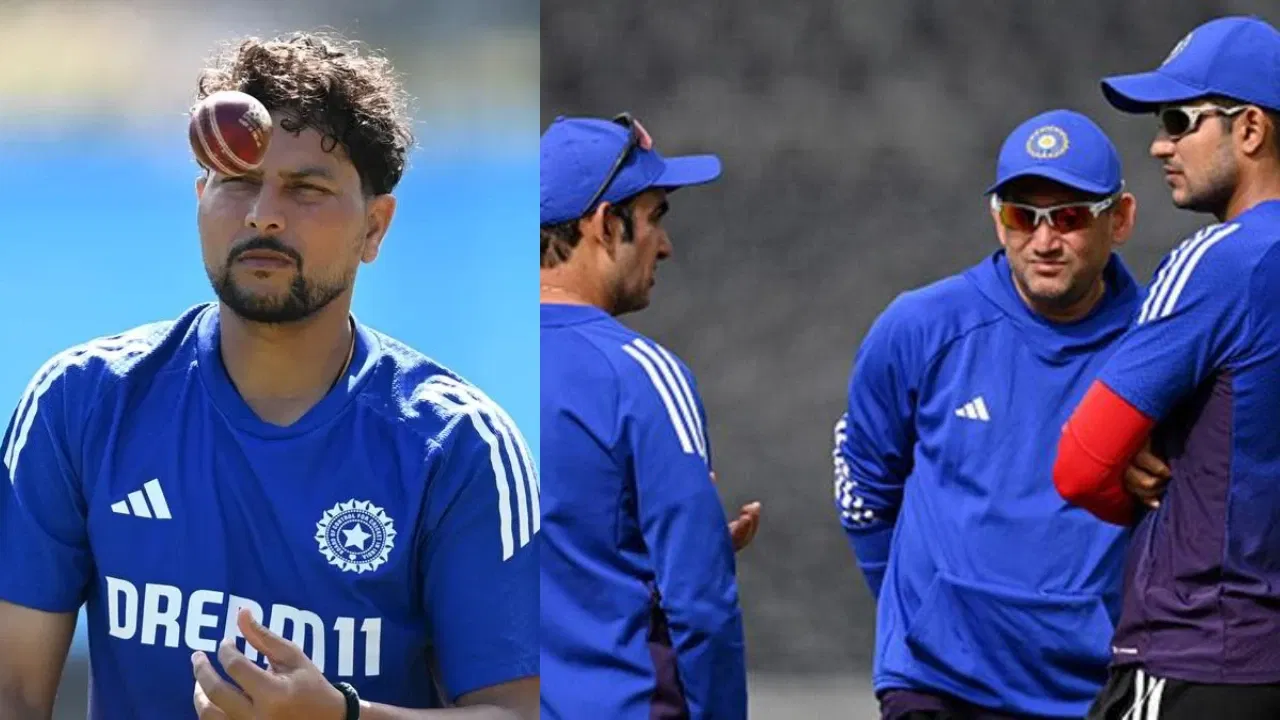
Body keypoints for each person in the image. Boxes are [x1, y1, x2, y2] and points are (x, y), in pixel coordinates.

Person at [0, 32, 538, 720]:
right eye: (238, 182)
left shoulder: (458, 444)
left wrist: (341, 717)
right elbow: (12, 693)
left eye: (306, 188)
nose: (262, 213)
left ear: (376, 228)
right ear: (201, 198)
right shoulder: (82, 403)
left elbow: (517, 712)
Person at [834, 109, 1144, 719]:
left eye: (1071, 217)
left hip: (1089, 690)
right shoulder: (920, 326)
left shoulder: (1158, 344)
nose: (1044, 240)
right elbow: (864, 483)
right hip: (938, 684)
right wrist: (918, 616)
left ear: (1121, 219)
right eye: (1022, 215)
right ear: (997, 220)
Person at [1052, 15, 1280, 720]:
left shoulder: (1219, 261)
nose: (1158, 144)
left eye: (1180, 119)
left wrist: (1140, 475)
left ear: (1249, 130)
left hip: (1199, 656)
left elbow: (1080, 465)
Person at [538, 113, 759, 720]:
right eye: (655, 217)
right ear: (607, 224)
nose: (665, 245)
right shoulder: (641, 375)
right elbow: (702, 604)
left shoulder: (461, 369)